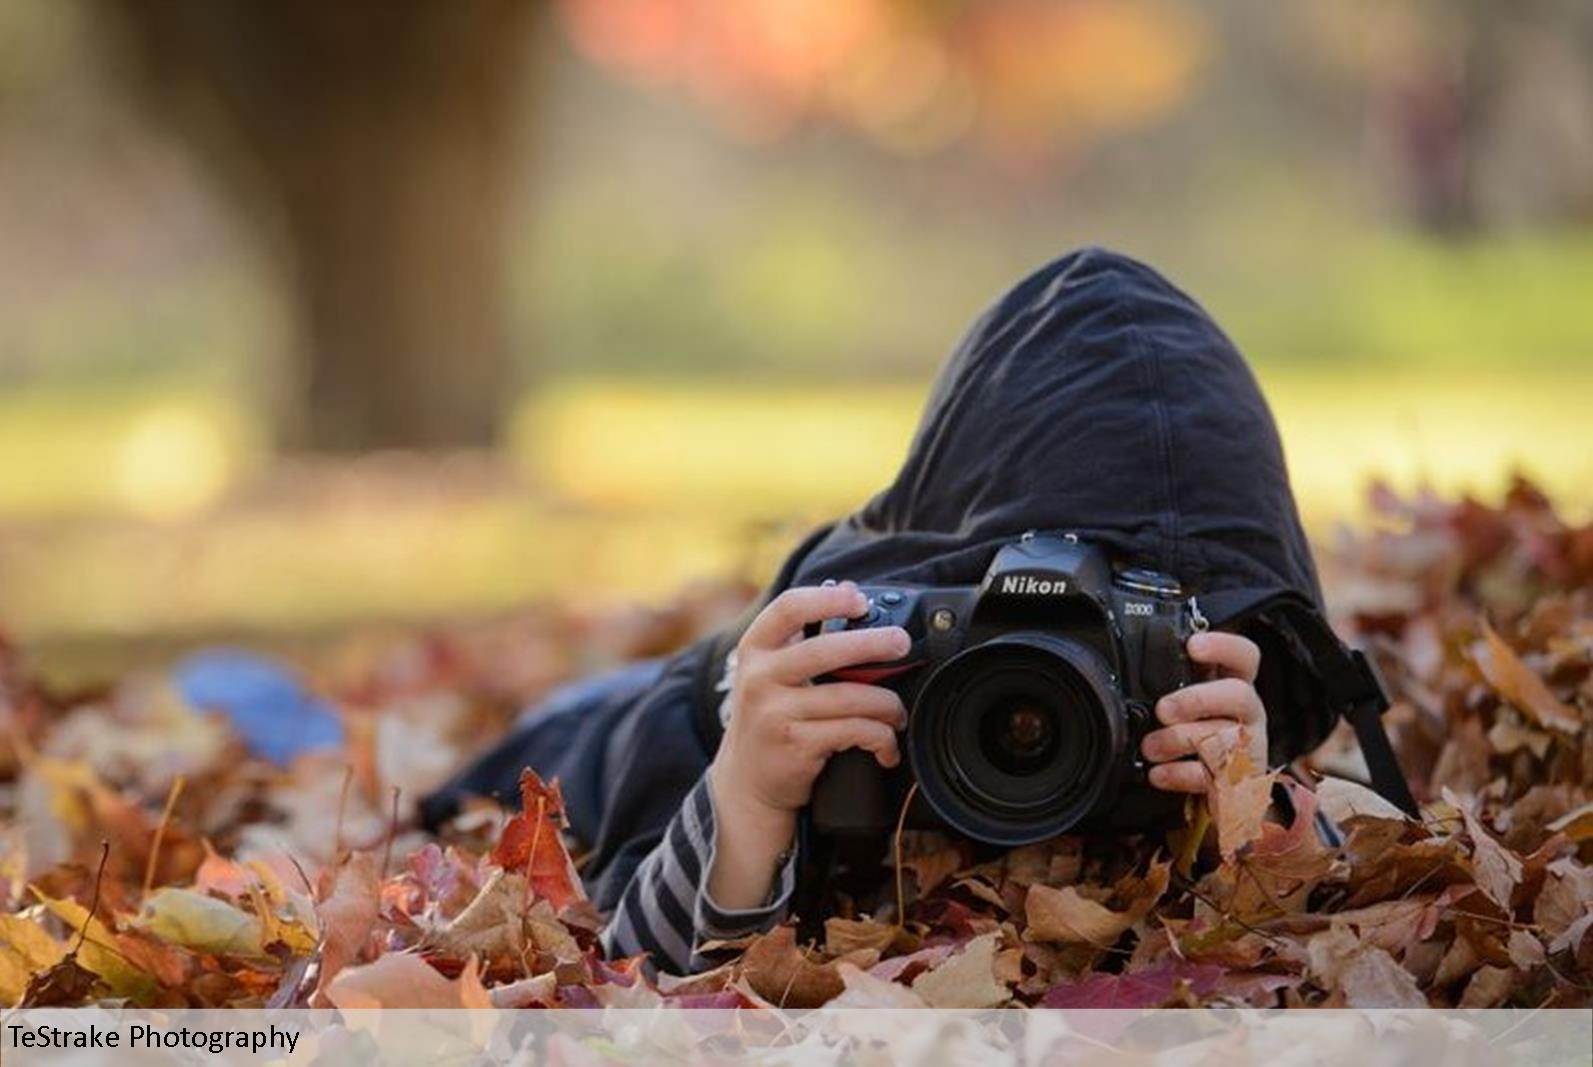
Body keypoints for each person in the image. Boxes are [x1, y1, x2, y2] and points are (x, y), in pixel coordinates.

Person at [422, 247, 1394, 974]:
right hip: (652, 708)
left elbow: (1360, 909)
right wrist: (749, 806)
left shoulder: (1227, 697)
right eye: (1012, 645)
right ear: (944, 589)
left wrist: (1265, 823)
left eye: (1127, 646)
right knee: (589, 722)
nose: (1045, 694)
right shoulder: (843, 674)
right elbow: (618, 970)